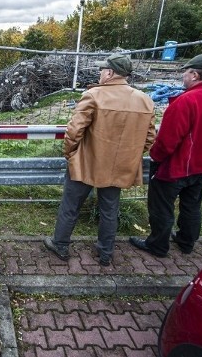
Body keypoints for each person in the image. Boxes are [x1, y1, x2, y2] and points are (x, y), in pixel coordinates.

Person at [44, 53, 156, 266]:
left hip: (88, 161)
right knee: (110, 209)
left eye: (102, 69)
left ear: (110, 73)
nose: (99, 72)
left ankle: (60, 245)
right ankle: (105, 252)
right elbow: (149, 137)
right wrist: (130, 155)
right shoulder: (145, 100)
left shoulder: (93, 95)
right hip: (120, 165)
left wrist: (70, 153)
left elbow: (75, 130)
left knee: (71, 205)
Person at [130, 53, 202, 257]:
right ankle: (186, 241)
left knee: (161, 207)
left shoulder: (185, 101)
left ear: (195, 74)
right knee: (192, 205)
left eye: (186, 73)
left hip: (175, 167)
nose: (184, 77)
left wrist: (156, 156)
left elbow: (167, 141)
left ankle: (157, 245)